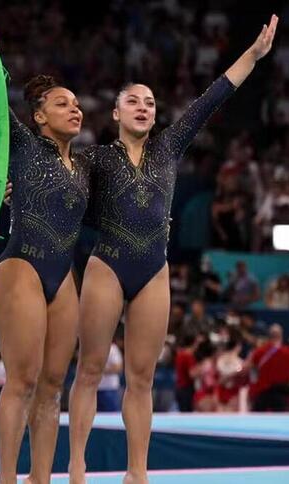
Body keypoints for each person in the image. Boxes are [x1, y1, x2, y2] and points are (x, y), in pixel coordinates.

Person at [67, 16, 278, 484]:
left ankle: (137, 472)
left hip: (153, 271)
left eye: (150, 102)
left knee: (140, 379)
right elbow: (58, 184)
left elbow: (213, 98)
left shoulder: (168, 148)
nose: (143, 107)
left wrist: (254, 56)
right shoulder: (95, 159)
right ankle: (77, 465)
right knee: (90, 370)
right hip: (107, 265)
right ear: (116, 114)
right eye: (132, 102)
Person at [0, 27, 88, 484]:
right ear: (40, 117)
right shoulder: (26, 146)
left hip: (62, 275)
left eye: (77, 103)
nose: (75, 108)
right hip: (21, 266)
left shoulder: (86, 167)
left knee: (51, 389)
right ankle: (8, 477)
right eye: (62, 103)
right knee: (22, 382)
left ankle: (40, 478)